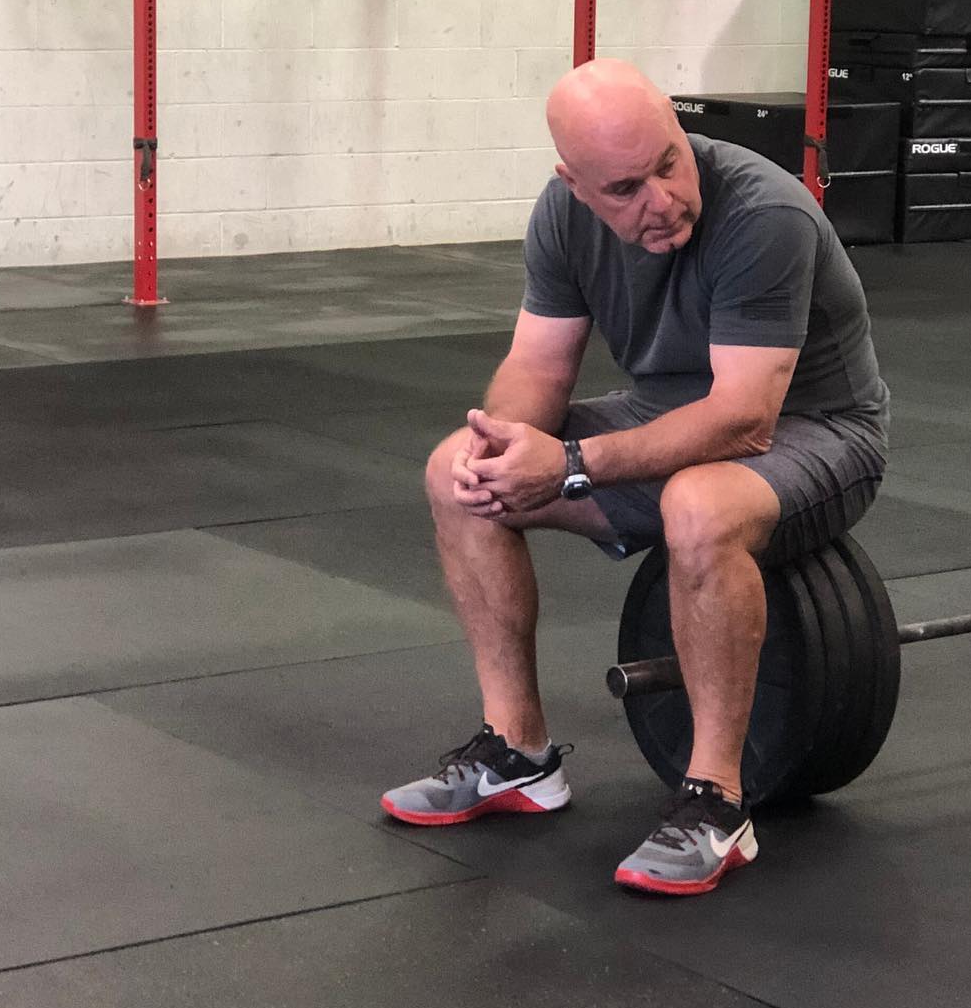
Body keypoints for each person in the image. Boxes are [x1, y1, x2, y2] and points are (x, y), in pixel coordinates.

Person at [381, 59, 889, 896]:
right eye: (625, 189)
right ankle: (518, 754)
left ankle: (716, 802)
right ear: (575, 185)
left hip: (816, 430)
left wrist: (570, 465)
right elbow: (538, 367)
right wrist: (506, 445)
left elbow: (743, 419)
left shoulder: (765, 213)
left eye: (669, 164)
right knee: (455, 473)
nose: (662, 199)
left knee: (699, 505)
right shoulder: (561, 219)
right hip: (662, 418)